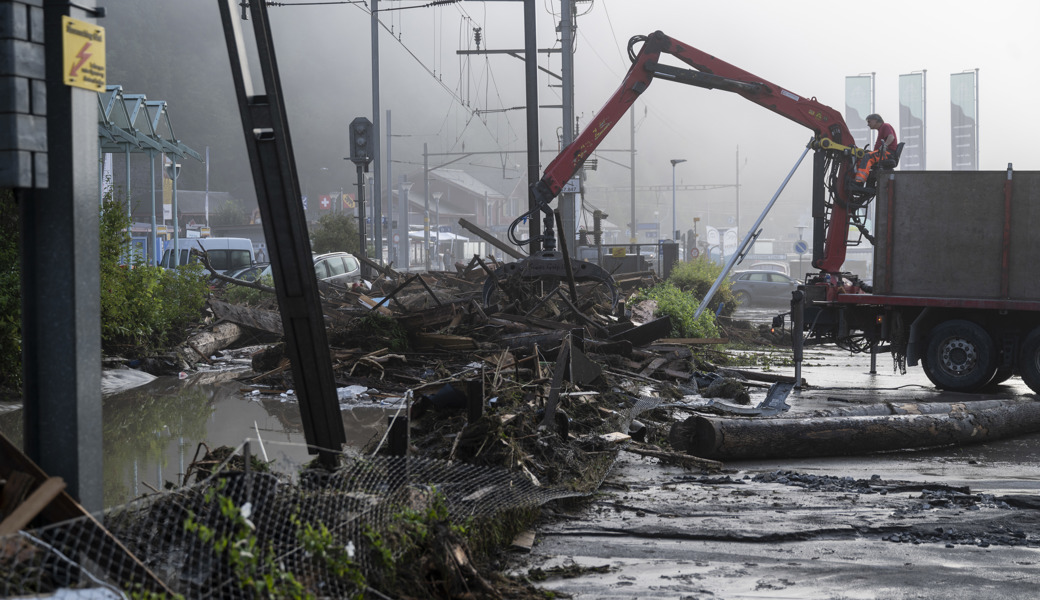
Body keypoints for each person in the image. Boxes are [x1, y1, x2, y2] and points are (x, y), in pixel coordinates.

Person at [853, 113, 898, 185]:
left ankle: (859, 182)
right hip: (883, 154)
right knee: (861, 158)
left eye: (869, 121)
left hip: (887, 154)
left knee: (868, 156)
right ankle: (856, 179)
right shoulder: (881, 129)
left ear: (875, 120)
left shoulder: (885, 126)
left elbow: (891, 137)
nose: (868, 124)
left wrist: (885, 145)